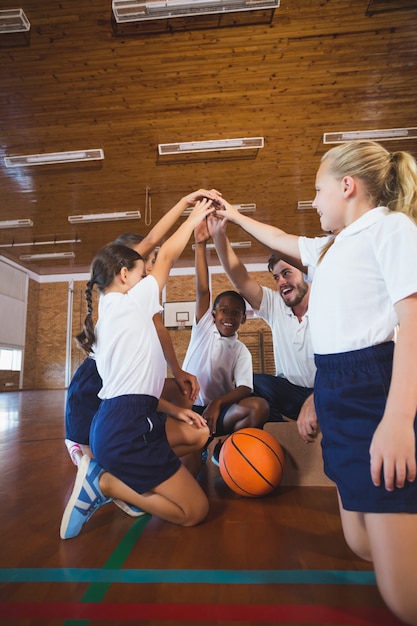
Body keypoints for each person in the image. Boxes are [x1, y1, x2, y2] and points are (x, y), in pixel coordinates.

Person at [215, 140, 417, 625]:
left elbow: (412, 322)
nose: (314, 200)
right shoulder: (327, 247)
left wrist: (397, 419)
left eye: (318, 190)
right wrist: (232, 217)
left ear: (347, 187)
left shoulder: (390, 228)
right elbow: (277, 235)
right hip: (334, 384)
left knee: (402, 595)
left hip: (373, 384)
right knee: (359, 542)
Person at [60, 195, 218, 540]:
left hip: (125, 421)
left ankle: (114, 474)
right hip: (124, 429)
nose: (151, 273)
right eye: (143, 270)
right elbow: (165, 249)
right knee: (195, 511)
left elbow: (133, 390)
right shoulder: (128, 304)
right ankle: (105, 484)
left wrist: (175, 410)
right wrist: (194, 214)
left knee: (194, 435)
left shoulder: (115, 313)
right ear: (124, 275)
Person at [207, 214, 318, 443]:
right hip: (291, 391)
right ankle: (282, 434)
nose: (281, 282)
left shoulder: (326, 302)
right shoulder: (275, 303)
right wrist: (218, 235)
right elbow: (239, 279)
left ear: (305, 273)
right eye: (276, 277)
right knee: (253, 382)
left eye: (287, 273)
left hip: (325, 392)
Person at [177, 219, 269, 465]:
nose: (229, 317)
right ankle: (197, 443)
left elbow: (245, 388)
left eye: (235, 313)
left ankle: (223, 446)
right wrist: (200, 244)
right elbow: (203, 290)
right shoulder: (203, 329)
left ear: (243, 319)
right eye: (224, 311)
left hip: (217, 413)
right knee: (192, 470)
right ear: (213, 314)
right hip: (190, 410)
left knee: (258, 407)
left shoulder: (240, 350)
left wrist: (218, 402)